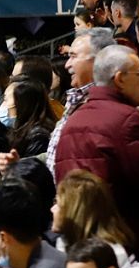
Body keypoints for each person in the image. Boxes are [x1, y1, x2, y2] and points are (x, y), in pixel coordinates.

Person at [55, 45, 139, 259]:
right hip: (128, 244)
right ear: (120, 79)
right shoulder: (129, 119)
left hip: (83, 244)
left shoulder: (73, 121)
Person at [45, 28, 115, 174]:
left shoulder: (106, 105)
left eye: (73, 56)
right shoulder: (77, 97)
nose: (67, 65)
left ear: (98, 61)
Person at [52, 170, 133, 268]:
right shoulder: (63, 242)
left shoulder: (112, 254)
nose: (52, 209)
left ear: (75, 212)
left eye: (58, 204)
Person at [0, 77, 56, 172]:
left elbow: (30, 173)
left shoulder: (38, 135)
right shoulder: (20, 130)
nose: (2, 105)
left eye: (6, 100)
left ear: (21, 104)